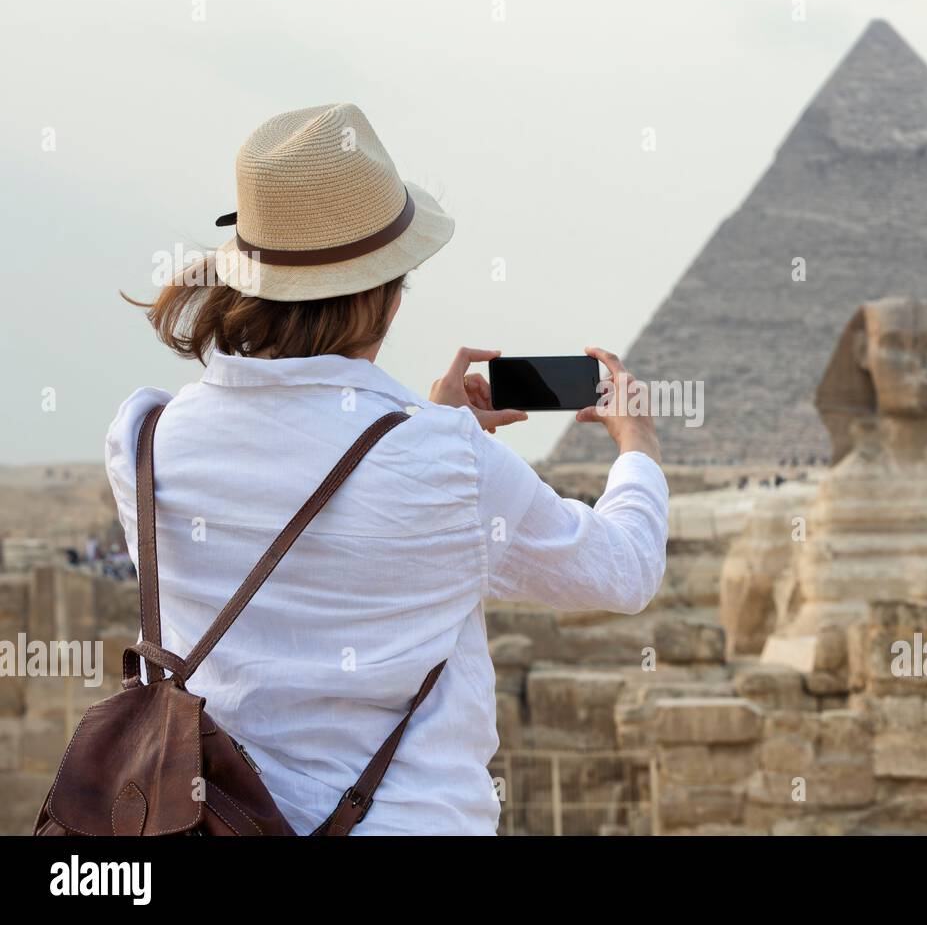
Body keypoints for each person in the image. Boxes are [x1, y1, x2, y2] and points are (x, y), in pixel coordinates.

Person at [108, 103, 667, 835]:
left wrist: (429, 429)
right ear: (384, 295)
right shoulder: (448, 463)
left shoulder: (143, 440)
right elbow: (624, 571)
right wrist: (638, 444)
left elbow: (300, 497)